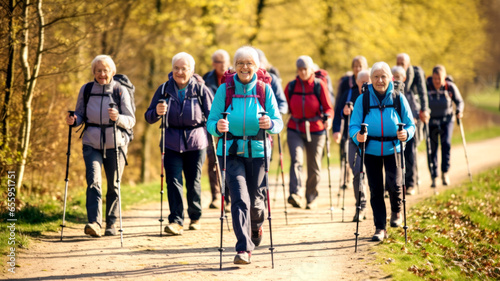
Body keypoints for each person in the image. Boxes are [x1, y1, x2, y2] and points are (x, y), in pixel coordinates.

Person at [207, 46, 283, 265]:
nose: (244, 67)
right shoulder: (225, 90)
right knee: (240, 198)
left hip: (258, 151)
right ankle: (243, 249)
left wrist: (270, 124)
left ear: (256, 67)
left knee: (257, 202)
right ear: (235, 66)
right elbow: (211, 122)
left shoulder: (263, 89)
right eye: (240, 63)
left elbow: (278, 122)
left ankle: (256, 225)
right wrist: (217, 126)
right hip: (230, 152)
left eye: (249, 63)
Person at [65, 55, 136, 237]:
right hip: (91, 143)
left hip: (116, 144)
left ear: (112, 71)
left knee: (113, 185)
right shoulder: (87, 89)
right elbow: (80, 113)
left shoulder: (120, 90)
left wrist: (117, 118)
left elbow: (131, 120)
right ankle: (95, 223)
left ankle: (111, 223)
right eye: (98, 71)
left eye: (105, 70)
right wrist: (74, 120)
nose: (102, 74)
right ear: (93, 73)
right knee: (93, 182)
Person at [145, 52, 213, 235]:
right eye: (176, 68)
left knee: (193, 181)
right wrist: (157, 112)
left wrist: (218, 132)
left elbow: (212, 115)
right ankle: (176, 221)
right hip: (170, 142)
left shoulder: (200, 89)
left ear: (191, 70)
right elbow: (148, 116)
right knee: (173, 181)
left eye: (184, 68)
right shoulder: (163, 89)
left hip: (196, 141)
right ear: (172, 69)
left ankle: (195, 216)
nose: (180, 72)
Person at [349, 62, 415, 241]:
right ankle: (380, 228)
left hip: (393, 148)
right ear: (370, 79)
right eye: (376, 77)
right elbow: (353, 125)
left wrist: (406, 133)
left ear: (390, 79)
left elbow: (411, 125)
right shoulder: (363, 99)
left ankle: (396, 211)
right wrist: (358, 136)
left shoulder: (398, 98)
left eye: (383, 76)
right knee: (376, 189)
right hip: (370, 150)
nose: (380, 80)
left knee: (395, 185)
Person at [285, 55, 333, 210]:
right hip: (295, 128)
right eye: (300, 69)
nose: (303, 72)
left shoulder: (319, 85)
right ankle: (296, 194)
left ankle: (311, 197)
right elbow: (283, 105)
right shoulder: (291, 86)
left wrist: (329, 119)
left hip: (316, 129)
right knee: (296, 161)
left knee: (314, 165)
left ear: (311, 69)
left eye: (305, 69)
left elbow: (328, 107)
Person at [332, 70, 370, 221]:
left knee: (373, 175)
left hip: (374, 140)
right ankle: (361, 206)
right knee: (358, 172)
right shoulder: (349, 94)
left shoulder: (377, 96)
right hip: (354, 139)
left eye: (369, 82)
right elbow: (338, 112)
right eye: (363, 82)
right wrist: (344, 112)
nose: (366, 85)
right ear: (358, 82)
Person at [396, 53, 430, 195]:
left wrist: (425, 110)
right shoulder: (394, 75)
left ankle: (412, 181)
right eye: (398, 62)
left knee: (411, 150)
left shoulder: (415, 74)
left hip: (414, 116)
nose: (400, 65)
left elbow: (423, 93)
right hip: (399, 120)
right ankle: (400, 182)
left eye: (403, 63)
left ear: (408, 64)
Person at [426, 65, 464, 187]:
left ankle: (445, 172)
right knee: (432, 148)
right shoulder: (426, 87)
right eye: (435, 78)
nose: (437, 81)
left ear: (444, 78)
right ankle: (434, 176)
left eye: (439, 78)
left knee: (446, 144)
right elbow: (420, 101)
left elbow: (460, 101)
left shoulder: (450, 87)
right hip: (431, 122)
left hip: (446, 120)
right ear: (432, 77)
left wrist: (459, 110)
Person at [203, 49, 231, 209]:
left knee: (227, 159)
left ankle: (228, 197)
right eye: (220, 62)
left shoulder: (233, 78)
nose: (223, 65)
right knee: (212, 160)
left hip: (229, 124)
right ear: (214, 64)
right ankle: (216, 196)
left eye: (226, 62)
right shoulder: (206, 80)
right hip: (212, 123)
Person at [334, 56, 369, 188]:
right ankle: (346, 178)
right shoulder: (347, 86)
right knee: (346, 153)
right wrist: (343, 113)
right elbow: (339, 105)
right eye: (355, 66)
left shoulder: (374, 88)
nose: (357, 68)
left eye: (360, 66)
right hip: (350, 128)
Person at [256, 48, 288, 115]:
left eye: (261, 62)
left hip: (271, 121)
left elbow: (282, 102)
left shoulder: (273, 79)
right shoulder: (246, 80)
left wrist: (276, 116)